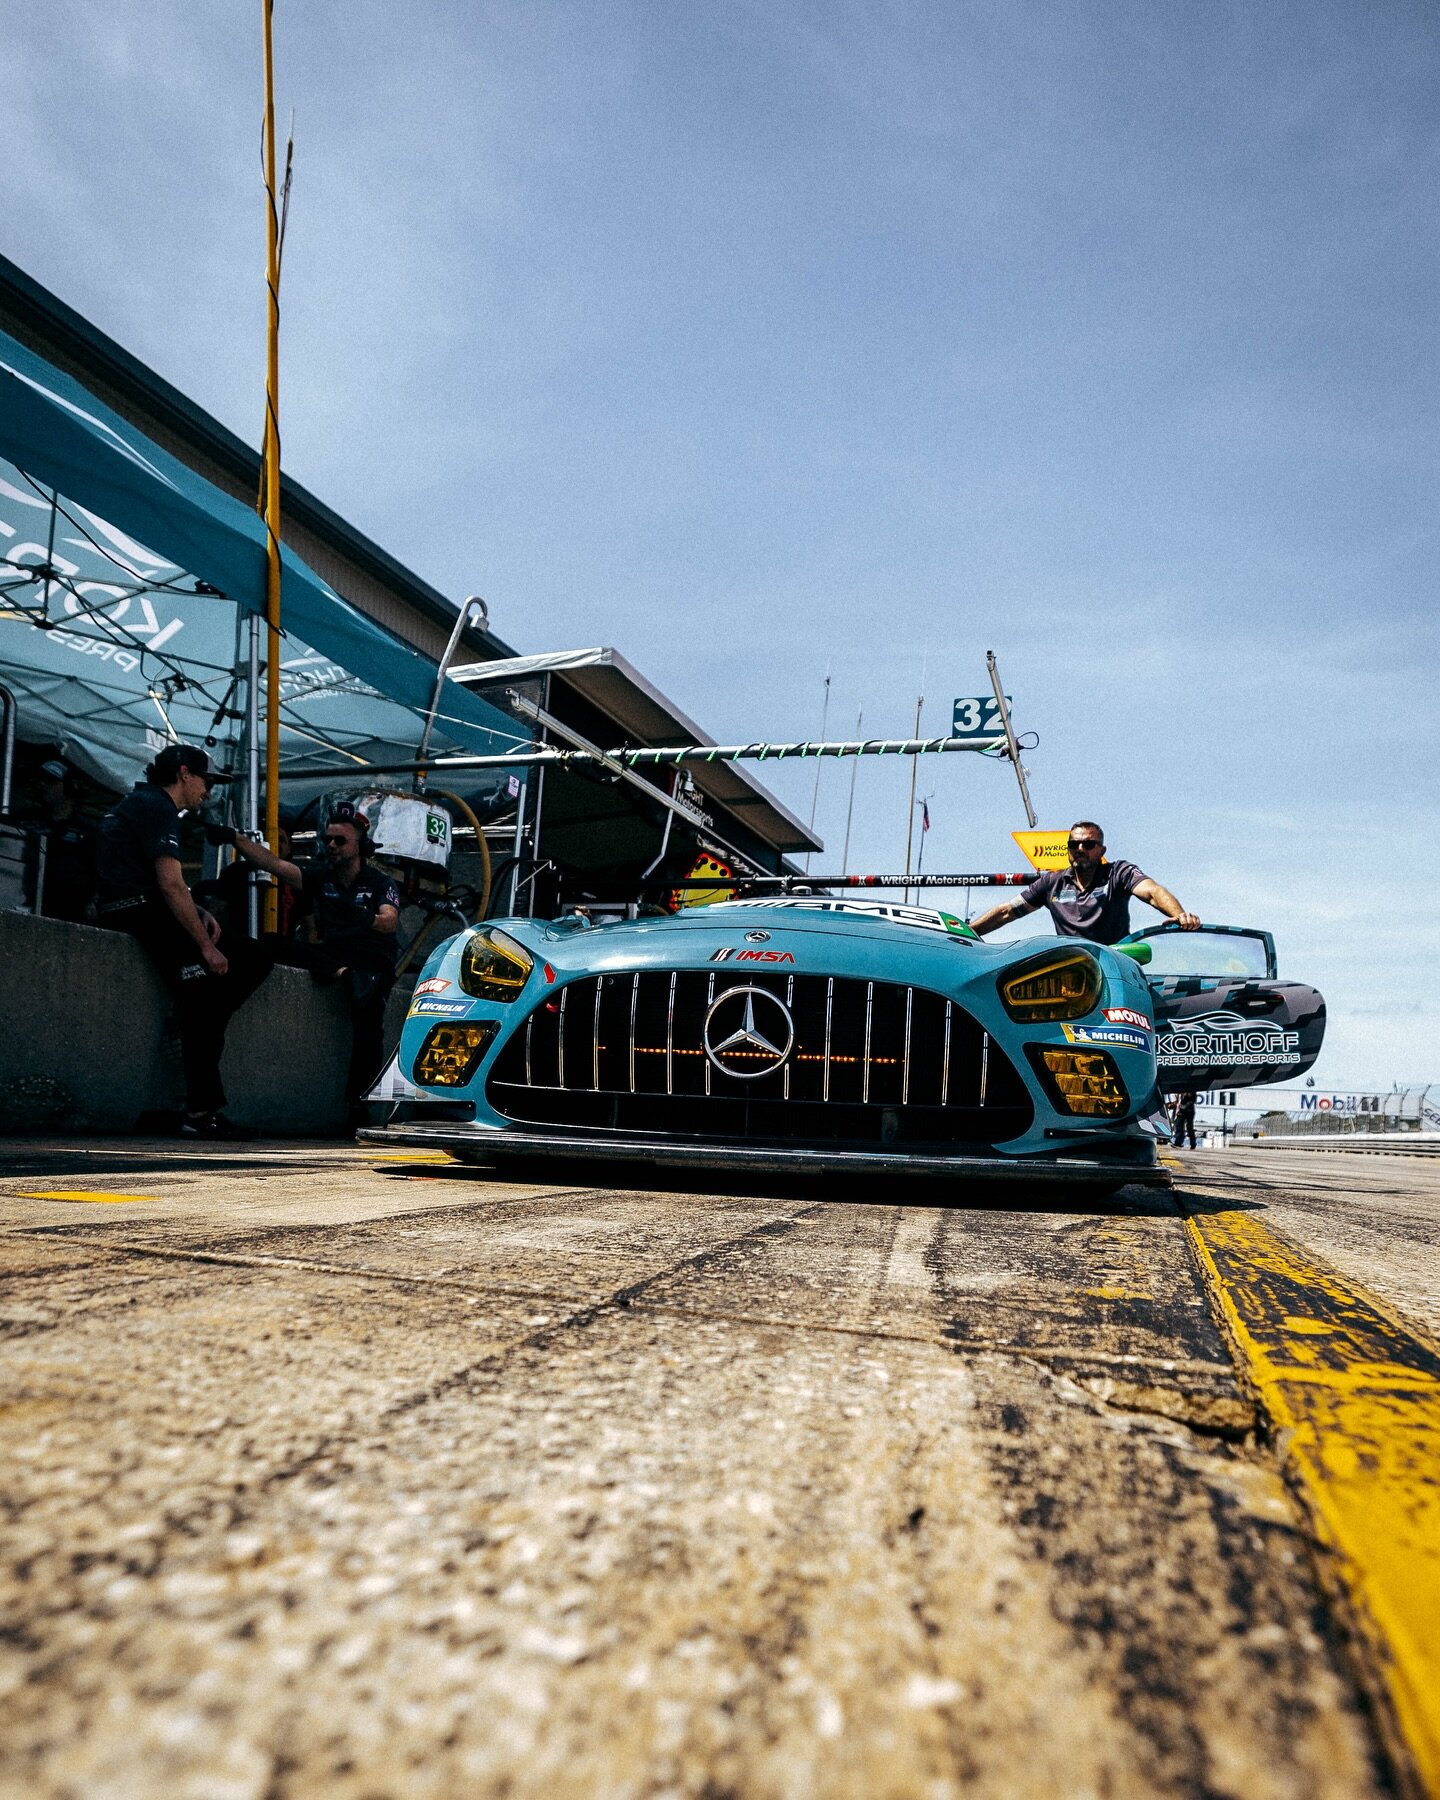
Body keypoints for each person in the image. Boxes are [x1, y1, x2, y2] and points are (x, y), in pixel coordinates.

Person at [95, 745, 272, 1138]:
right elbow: (170, 882)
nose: (209, 792)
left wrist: (197, 911)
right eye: (207, 781)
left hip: (136, 906)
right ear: (185, 773)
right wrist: (205, 947)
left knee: (253, 958)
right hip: (138, 910)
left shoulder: (141, 802)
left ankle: (198, 1040)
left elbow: (165, 885)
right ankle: (199, 1115)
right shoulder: (157, 806)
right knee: (205, 1000)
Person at [211, 801, 400, 1112]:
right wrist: (236, 838)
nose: (332, 845)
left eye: (340, 840)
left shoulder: (380, 882)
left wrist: (362, 917)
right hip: (334, 954)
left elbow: (388, 920)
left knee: (368, 1021)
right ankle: (341, 972)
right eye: (327, 839)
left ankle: (359, 1109)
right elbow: (275, 865)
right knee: (272, 942)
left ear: (361, 845)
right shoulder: (321, 877)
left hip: (371, 958)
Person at [969, 821, 1201, 945]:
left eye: (1088, 845)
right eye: (1074, 844)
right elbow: (1007, 912)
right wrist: (967, 933)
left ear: (1101, 850)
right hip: (1074, 971)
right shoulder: (1052, 882)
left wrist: (1180, 915)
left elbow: (1152, 892)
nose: (1080, 849)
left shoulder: (1118, 872)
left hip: (1114, 966)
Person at [21, 759, 98, 923]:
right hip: (25, 904)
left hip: (69, 915)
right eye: (40, 780)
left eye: (50, 781)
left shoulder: (88, 831)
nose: (42, 785)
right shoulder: (26, 821)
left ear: (70, 787)